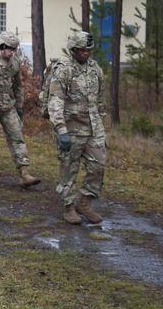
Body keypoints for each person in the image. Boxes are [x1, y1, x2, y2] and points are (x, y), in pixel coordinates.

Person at [47, 31, 107, 224]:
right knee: (69, 169)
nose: (86, 53)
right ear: (73, 50)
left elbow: (100, 97)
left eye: (88, 50)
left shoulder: (95, 69)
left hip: (93, 127)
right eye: (81, 50)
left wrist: (101, 119)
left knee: (98, 165)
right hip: (71, 128)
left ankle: (86, 202)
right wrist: (61, 129)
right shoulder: (63, 69)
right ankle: (69, 207)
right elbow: (55, 101)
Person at [0, 31, 40, 187]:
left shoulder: (15, 62)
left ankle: (24, 173)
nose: (12, 52)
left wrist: (19, 106)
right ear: (2, 47)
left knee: (17, 137)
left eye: (14, 49)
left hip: (8, 106)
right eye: (9, 49)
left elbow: (18, 86)